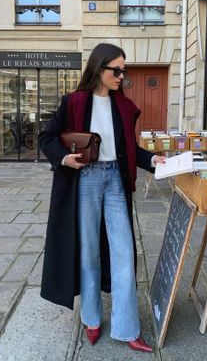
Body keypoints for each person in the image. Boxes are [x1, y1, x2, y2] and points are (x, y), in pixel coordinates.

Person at [39, 43, 165, 353]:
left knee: (124, 252)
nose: (122, 75)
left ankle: (127, 328)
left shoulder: (123, 106)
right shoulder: (74, 102)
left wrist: (153, 160)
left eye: (124, 70)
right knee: (89, 251)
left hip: (115, 182)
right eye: (117, 70)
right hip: (87, 179)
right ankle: (92, 318)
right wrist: (64, 159)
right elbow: (47, 137)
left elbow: (130, 150)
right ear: (100, 69)